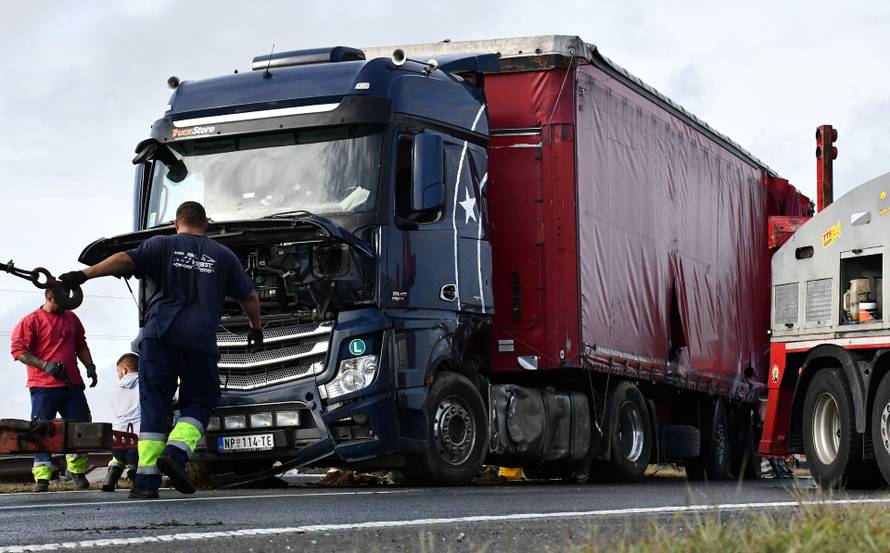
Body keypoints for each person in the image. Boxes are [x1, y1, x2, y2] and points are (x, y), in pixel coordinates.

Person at [59, 201, 262, 499]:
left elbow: (124, 261)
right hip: (199, 343)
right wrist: (255, 329)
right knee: (201, 399)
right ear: (205, 225)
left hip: (158, 338)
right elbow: (251, 297)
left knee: (153, 406)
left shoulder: (161, 245)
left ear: (175, 223)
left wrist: (84, 275)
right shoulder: (223, 255)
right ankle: (177, 453)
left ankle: (145, 482)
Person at [10, 285, 98, 492]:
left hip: (72, 386)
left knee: (79, 431)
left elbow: (81, 345)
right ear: (49, 298)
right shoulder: (31, 320)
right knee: (41, 432)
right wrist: (44, 365)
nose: (65, 306)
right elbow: (18, 350)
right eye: (61, 302)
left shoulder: (71, 318)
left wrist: (90, 366)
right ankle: (42, 478)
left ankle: (77, 472)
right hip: (43, 387)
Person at [102, 352, 140, 492]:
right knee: (142, 454)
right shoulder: (146, 382)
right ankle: (136, 475)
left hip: (117, 444)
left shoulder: (115, 388)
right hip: (138, 444)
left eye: (118, 371)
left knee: (117, 458)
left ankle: (110, 480)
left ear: (124, 370)